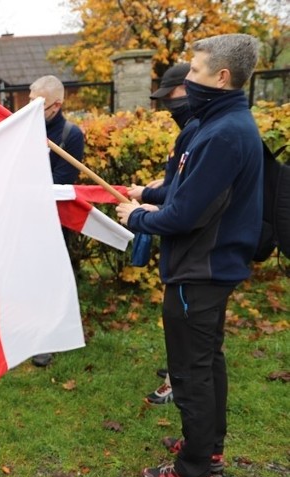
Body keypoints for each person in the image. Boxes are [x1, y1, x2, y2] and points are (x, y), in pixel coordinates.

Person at [116, 34, 263, 477]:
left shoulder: (224, 134)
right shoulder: (220, 125)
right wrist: (148, 193)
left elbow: (184, 215)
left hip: (198, 270)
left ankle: (193, 468)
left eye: (196, 72)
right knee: (208, 361)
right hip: (209, 268)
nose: (189, 81)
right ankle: (208, 446)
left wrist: (136, 217)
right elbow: (188, 188)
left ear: (222, 77)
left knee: (189, 370)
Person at [127, 63, 197, 406]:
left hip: (196, 256)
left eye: (171, 98)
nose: (169, 107)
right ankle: (177, 368)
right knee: (179, 322)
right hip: (185, 251)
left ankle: (177, 380)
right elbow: (180, 187)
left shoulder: (203, 130)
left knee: (185, 324)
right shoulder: (193, 128)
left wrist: (143, 215)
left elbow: (187, 203)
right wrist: (154, 190)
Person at [28, 75, 86, 367]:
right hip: (23, 215)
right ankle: (30, 329)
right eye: (29, 101)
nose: (30, 109)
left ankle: (50, 337)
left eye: (37, 104)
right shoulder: (23, 129)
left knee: (51, 276)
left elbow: (63, 180)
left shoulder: (70, 135)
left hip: (53, 219)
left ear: (56, 105)